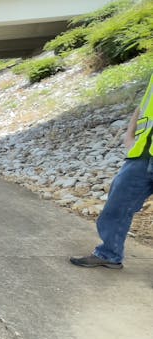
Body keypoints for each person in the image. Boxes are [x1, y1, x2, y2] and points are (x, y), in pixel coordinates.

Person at [71, 73, 153, 269]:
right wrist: (130, 133)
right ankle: (109, 254)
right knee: (117, 204)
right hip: (142, 153)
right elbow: (144, 105)